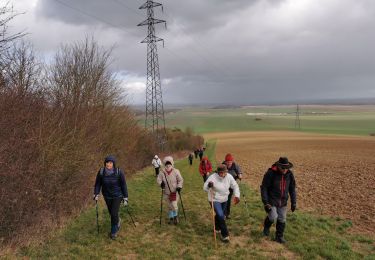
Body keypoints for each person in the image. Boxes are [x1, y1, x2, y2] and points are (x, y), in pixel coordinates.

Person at [260, 157, 297, 244]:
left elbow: (292, 189)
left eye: (287, 168)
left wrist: (294, 202)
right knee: (272, 216)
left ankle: (279, 237)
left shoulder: (290, 175)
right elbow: (264, 188)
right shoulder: (270, 173)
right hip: (271, 200)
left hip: (283, 201)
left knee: (282, 219)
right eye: (283, 168)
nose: (285, 170)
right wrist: (266, 202)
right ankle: (266, 227)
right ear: (278, 166)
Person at [94, 155, 128, 239]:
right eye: (107, 162)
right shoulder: (101, 172)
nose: (108, 164)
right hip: (107, 196)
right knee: (112, 213)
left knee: (113, 213)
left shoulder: (119, 172)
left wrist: (125, 197)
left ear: (113, 163)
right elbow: (98, 184)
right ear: (105, 163)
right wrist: (96, 193)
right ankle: (118, 221)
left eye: (110, 162)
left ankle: (114, 231)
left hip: (118, 195)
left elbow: (123, 185)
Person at [204, 164, 240, 242]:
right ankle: (225, 235)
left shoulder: (229, 177)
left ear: (226, 172)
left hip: (225, 199)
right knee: (221, 215)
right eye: (221, 173)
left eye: (224, 172)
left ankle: (217, 228)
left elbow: (235, 186)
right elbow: (205, 187)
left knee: (220, 215)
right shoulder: (213, 177)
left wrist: (237, 195)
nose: (223, 174)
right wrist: (209, 185)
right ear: (217, 172)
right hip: (214, 199)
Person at [157, 156, 184, 224]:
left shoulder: (176, 171)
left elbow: (180, 180)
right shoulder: (162, 172)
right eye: (166, 164)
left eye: (169, 164)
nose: (168, 165)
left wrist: (179, 187)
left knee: (174, 206)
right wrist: (161, 184)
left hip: (174, 192)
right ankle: (171, 218)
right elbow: (158, 180)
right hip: (166, 193)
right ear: (164, 164)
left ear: (172, 164)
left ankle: (175, 217)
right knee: (169, 206)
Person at [222, 153, 243, 219]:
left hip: (231, 185)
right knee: (224, 199)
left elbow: (239, 171)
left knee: (228, 200)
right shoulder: (223, 166)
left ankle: (227, 214)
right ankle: (223, 214)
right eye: (227, 162)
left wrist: (239, 175)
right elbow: (218, 172)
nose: (229, 163)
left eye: (230, 162)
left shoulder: (235, 165)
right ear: (225, 162)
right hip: (224, 186)